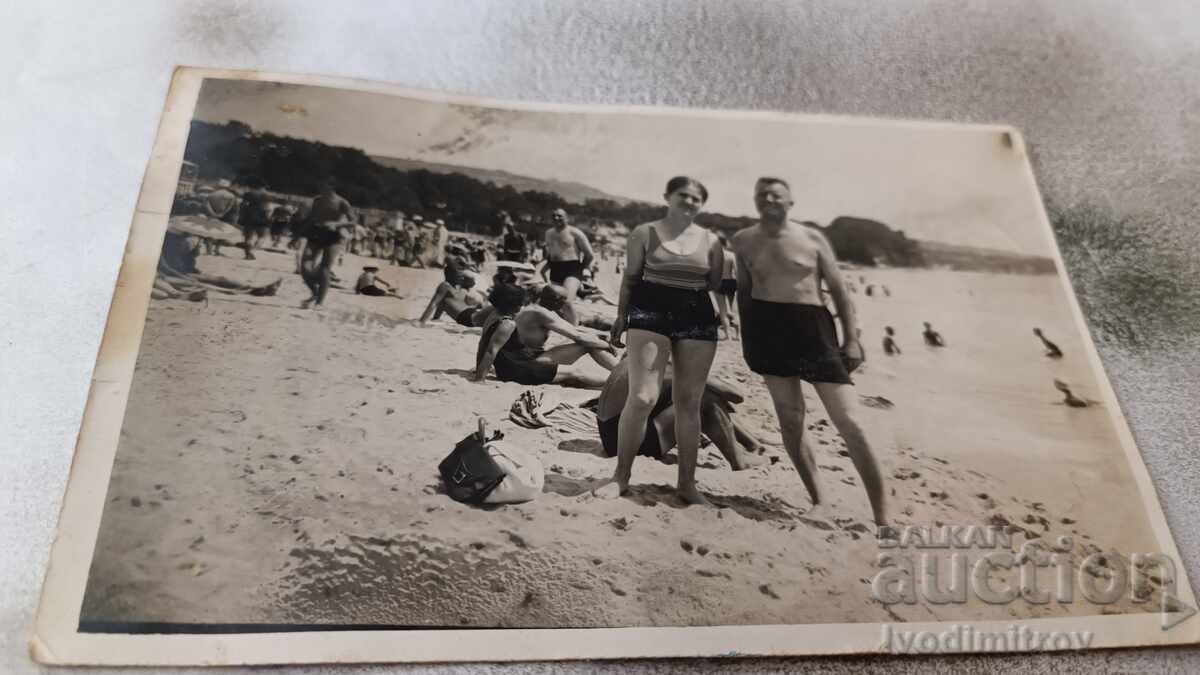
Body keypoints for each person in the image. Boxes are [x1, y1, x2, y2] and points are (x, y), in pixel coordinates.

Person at [732, 176, 887, 526]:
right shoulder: (742, 241)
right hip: (767, 330)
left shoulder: (812, 238)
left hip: (814, 329)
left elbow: (840, 291)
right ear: (756, 201)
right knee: (790, 420)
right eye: (762, 194)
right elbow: (744, 294)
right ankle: (819, 500)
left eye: (777, 195)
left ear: (790, 202)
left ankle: (882, 517)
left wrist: (852, 339)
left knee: (850, 423)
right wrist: (747, 339)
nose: (769, 199)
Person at [598, 176, 724, 506]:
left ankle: (687, 485)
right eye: (683, 195)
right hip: (649, 310)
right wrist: (621, 316)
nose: (690, 202)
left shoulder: (711, 241)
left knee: (689, 402)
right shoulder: (644, 233)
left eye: (697, 198)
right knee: (642, 396)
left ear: (702, 204)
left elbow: (714, 283)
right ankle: (620, 477)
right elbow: (630, 280)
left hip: (696, 314)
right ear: (667, 196)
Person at [596, 356, 765, 470]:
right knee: (704, 400)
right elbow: (736, 396)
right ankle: (739, 462)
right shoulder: (666, 362)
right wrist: (699, 373)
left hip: (611, 435)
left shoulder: (638, 351)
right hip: (627, 443)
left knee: (690, 394)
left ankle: (752, 445)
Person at [474, 282, 618, 388]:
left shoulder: (493, 316)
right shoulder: (512, 322)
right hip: (521, 367)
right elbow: (491, 350)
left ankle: (620, 377)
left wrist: (478, 370)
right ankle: (618, 381)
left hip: (517, 363)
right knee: (575, 372)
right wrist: (480, 379)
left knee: (574, 373)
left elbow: (484, 344)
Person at [299, 178, 354, 309]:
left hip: (334, 236)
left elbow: (353, 222)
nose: (320, 187)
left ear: (331, 186)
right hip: (316, 233)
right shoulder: (317, 200)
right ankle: (315, 293)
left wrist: (336, 223)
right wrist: (297, 236)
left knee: (325, 268)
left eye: (322, 185)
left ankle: (320, 302)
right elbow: (310, 219)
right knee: (305, 267)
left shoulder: (342, 202)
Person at [540, 208, 595, 325]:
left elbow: (589, 254)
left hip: (572, 268)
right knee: (555, 302)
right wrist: (544, 268)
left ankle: (574, 329)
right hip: (555, 269)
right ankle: (572, 323)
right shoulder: (548, 233)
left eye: (560, 216)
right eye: (554, 216)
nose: (556, 218)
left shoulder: (575, 232)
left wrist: (581, 269)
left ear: (567, 218)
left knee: (567, 301)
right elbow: (550, 254)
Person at [419, 264, 487, 326]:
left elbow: (439, 304)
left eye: (462, 275)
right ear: (450, 275)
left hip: (470, 313)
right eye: (459, 275)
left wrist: (435, 318)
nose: (461, 277)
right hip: (466, 316)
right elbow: (433, 304)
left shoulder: (458, 288)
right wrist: (422, 321)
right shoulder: (445, 285)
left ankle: (435, 318)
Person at [236, 177, 272, 260]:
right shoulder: (266, 195)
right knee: (262, 236)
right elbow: (268, 208)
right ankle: (253, 251)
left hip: (249, 217)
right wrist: (268, 218)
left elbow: (242, 206)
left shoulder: (248, 194)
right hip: (262, 218)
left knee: (248, 237)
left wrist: (241, 216)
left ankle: (247, 254)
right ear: (263, 186)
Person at [716, 233, 740, 340]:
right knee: (731, 309)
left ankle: (727, 335)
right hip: (731, 282)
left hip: (720, 282)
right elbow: (736, 271)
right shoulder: (731, 255)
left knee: (723, 310)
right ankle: (738, 335)